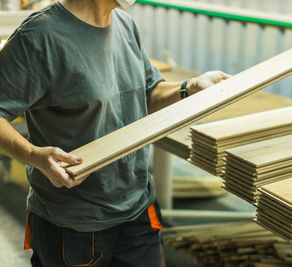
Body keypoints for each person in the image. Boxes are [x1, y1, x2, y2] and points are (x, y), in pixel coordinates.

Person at [0, 0, 230, 266]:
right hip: (75, 226)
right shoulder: (39, 38)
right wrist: (33, 155)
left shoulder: (124, 24)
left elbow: (148, 93)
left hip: (138, 210)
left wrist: (190, 86)